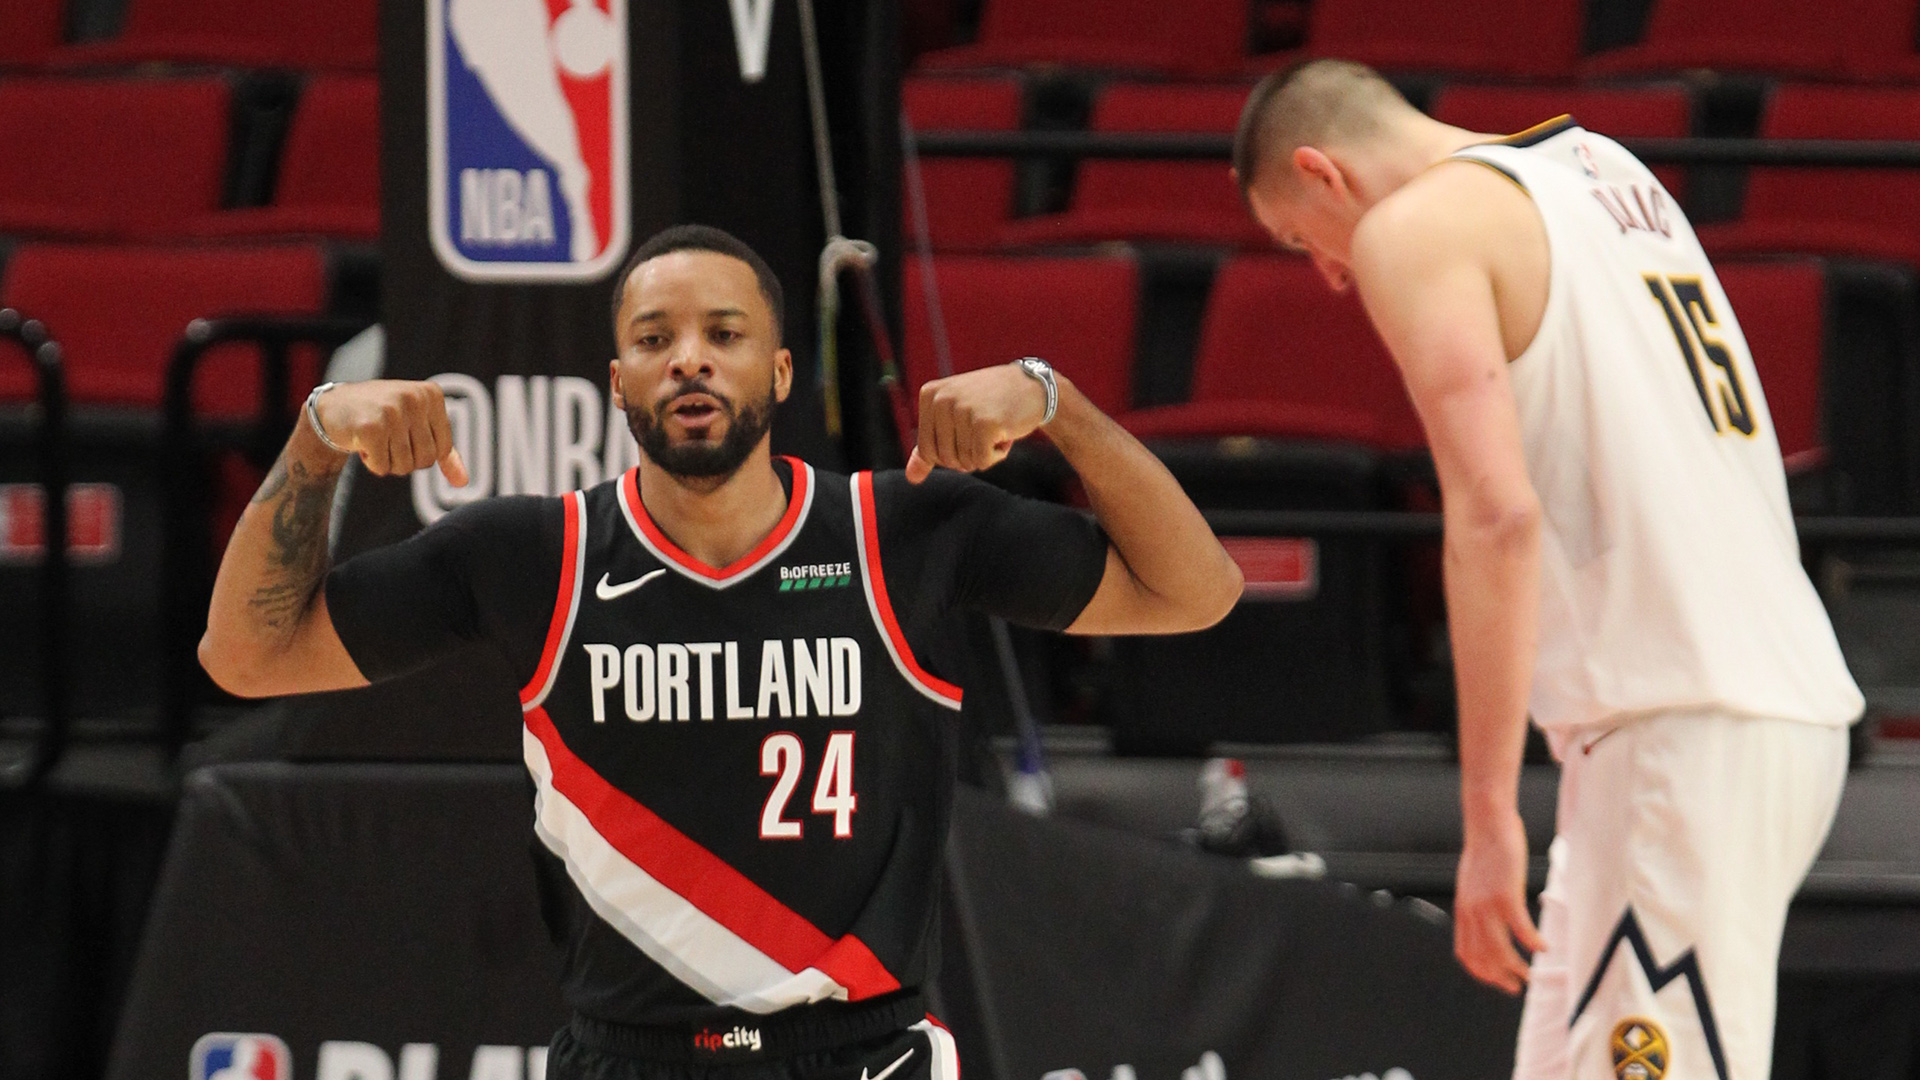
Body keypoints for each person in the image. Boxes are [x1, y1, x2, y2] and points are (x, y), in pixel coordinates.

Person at [197, 223, 1243, 1080]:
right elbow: (248, 659)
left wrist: (1052, 399)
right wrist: (319, 434)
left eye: (723, 332)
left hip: (860, 1054)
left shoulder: (904, 533)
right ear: (617, 382)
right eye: (654, 338)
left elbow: (1197, 592)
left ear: (780, 370)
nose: (688, 355)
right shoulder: (532, 554)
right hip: (627, 1056)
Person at [1233, 60, 1862, 1080]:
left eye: (1299, 239)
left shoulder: (1414, 229)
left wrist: (1485, 825)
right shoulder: (1604, 169)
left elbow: (1495, 517)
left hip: (1678, 724)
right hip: (1749, 706)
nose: (1328, 274)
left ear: (1322, 171)